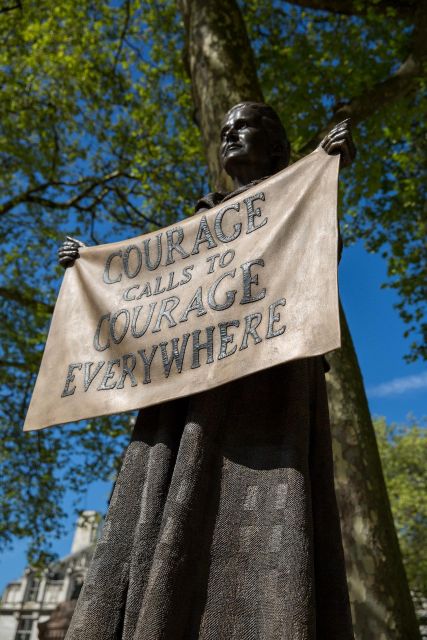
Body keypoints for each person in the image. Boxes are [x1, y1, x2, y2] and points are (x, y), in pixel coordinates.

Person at [63, 103, 355, 640]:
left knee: (259, 508)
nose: (230, 137)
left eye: (242, 128)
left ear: (274, 144)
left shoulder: (297, 194)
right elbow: (149, 298)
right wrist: (90, 268)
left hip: (267, 382)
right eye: (223, 131)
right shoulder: (196, 223)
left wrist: (326, 176)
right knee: (166, 502)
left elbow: (319, 256)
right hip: (183, 395)